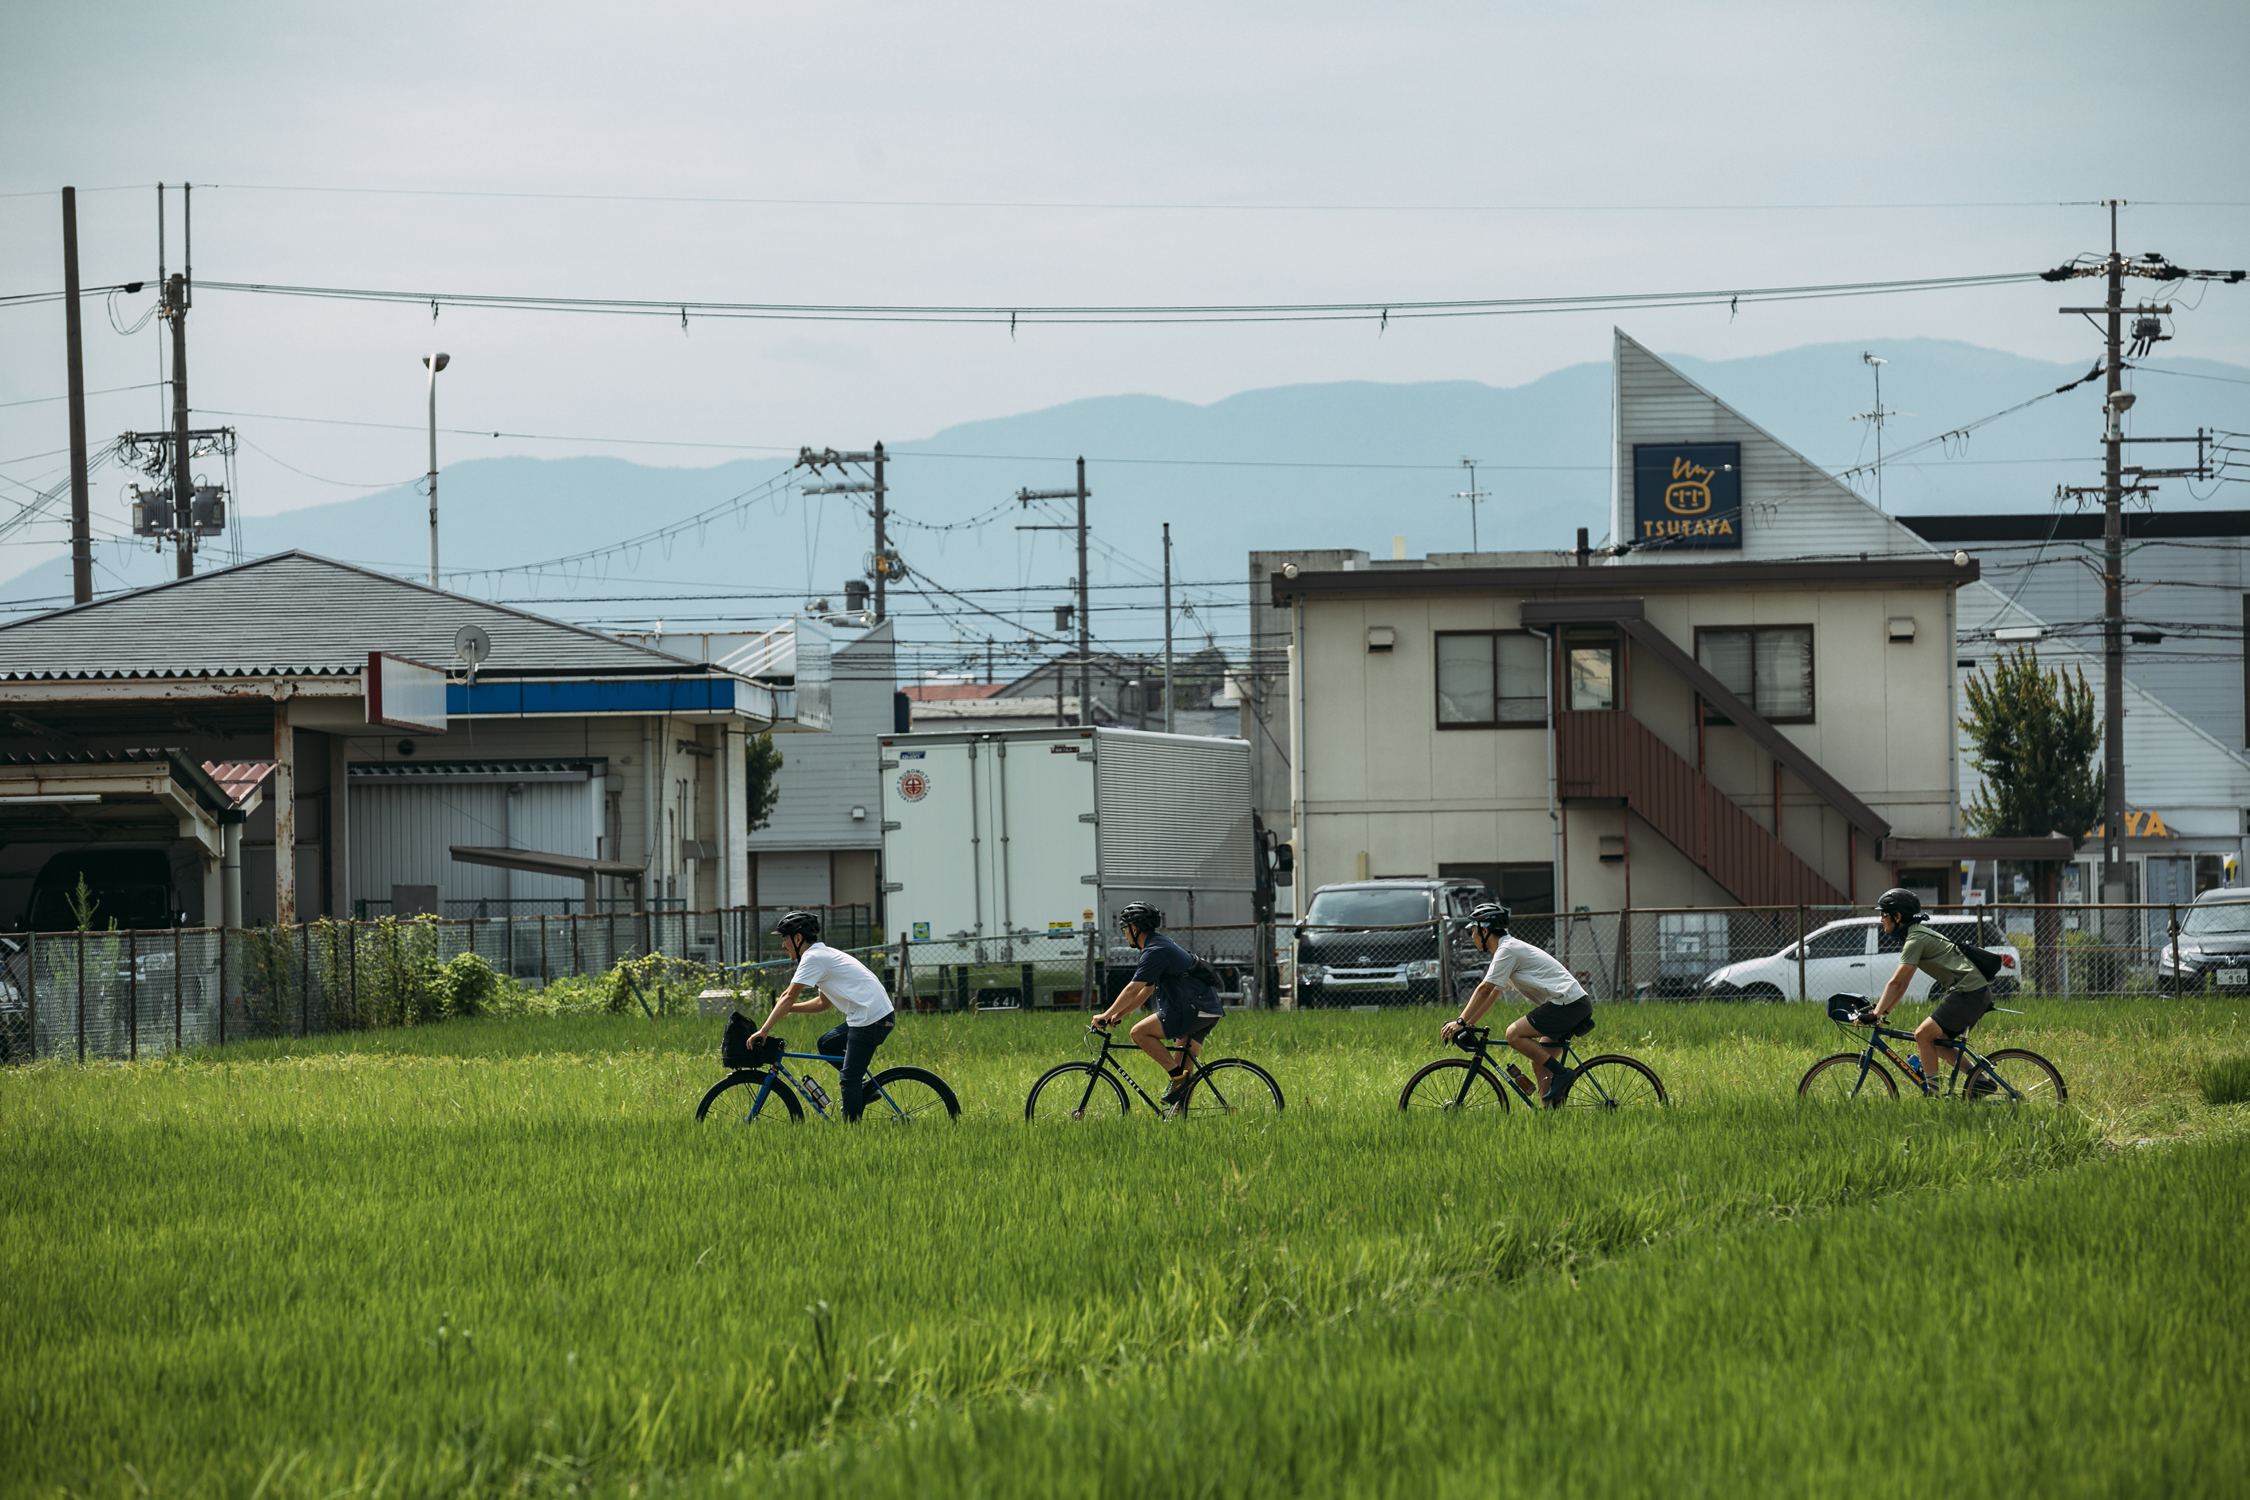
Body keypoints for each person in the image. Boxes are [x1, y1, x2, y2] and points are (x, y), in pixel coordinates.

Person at [750, 910, 896, 1121]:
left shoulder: (813, 958)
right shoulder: (822, 956)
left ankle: (852, 1132)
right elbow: (823, 1004)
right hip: (872, 1016)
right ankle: (864, 1087)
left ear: (798, 938)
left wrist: (764, 1030)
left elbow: (788, 995)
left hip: (870, 1019)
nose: (783, 945)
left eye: (784, 939)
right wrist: (789, 1009)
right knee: (827, 1044)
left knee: (848, 1080)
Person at [1440, 902, 1591, 1106]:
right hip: (1571, 1004)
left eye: (1473, 931)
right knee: (1540, 1064)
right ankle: (1550, 1117)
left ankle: (1563, 1074)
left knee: (1513, 1034)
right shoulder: (1507, 951)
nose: (1472, 937)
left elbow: (1484, 989)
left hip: (1567, 1004)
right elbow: (1493, 994)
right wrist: (1468, 1024)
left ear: (1485, 931)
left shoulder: (1507, 950)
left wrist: (1460, 1020)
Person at [1090, 901, 1223, 1113]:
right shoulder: (1159, 945)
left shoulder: (1155, 950)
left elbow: (1133, 989)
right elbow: (1147, 990)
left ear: (1134, 928)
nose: (1124, 933)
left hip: (1191, 1009)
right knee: (1183, 1083)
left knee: (1139, 1033)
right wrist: (1118, 1014)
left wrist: (1105, 1015)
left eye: (1124, 928)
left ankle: (1178, 1078)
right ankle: (1180, 1121)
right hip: (1205, 1009)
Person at [1859, 887, 1993, 1089]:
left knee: (1922, 1035)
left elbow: (1896, 982)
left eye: (1884, 914)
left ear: (1897, 916)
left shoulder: (1915, 939)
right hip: (1974, 992)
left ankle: (1933, 1092)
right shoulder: (1916, 935)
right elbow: (1902, 985)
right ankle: (1979, 1080)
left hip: (1969, 993)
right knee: (1936, 1042)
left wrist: (1877, 1013)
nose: (1881, 919)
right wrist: (1882, 1011)